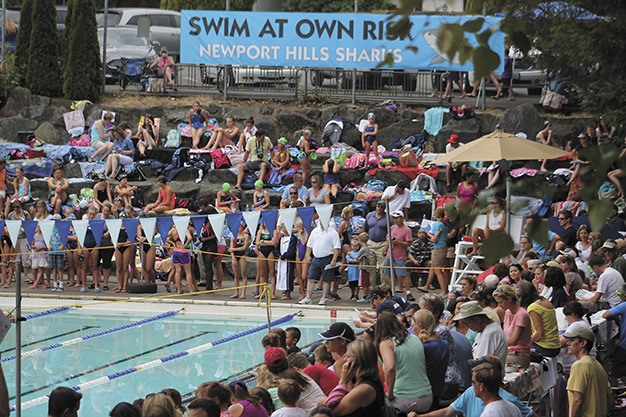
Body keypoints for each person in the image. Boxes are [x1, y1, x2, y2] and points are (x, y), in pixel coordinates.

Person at [409, 355, 534, 417]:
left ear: (481, 386)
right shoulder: (511, 407)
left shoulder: (493, 411)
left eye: (473, 381)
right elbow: (447, 411)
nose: (470, 383)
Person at [375, 311, 432, 413]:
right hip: (427, 397)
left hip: (404, 400)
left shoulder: (386, 343)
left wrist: (389, 393)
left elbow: (390, 368)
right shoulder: (415, 338)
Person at [324, 340, 385, 417]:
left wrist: (343, 381)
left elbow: (330, 411)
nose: (344, 359)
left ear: (357, 361)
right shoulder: (372, 381)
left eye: (348, 356)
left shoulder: (364, 389)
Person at [564, 326, 613, 417]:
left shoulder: (579, 365)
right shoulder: (597, 365)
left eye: (572, 340)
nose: (568, 343)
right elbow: (610, 400)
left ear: (583, 343)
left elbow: (577, 400)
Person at [453, 301, 508, 368]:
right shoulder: (483, 331)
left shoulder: (489, 334)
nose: (466, 326)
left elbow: (480, 363)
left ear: (477, 319)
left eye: (467, 323)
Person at [299, 219, 341, 305]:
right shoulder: (315, 231)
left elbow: (336, 248)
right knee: (310, 278)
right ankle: (308, 297)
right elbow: (309, 245)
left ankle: (323, 297)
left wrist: (334, 259)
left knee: (326, 279)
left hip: (327, 257)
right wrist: (308, 255)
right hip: (316, 257)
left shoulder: (333, 232)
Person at [517, 280, 561, 358]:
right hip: (555, 345)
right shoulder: (544, 300)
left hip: (545, 347)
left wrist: (523, 343)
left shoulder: (533, 307)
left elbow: (539, 334)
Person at [493, 285, 532, 368]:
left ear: (509, 299)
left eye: (501, 302)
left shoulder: (522, 315)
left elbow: (514, 340)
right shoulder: (507, 312)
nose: (499, 306)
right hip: (508, 352)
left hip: (519, 355)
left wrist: (496, 344)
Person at [382, 211, 413, 300]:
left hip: (400, 255)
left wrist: (398, 242)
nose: (396, 220)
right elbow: (388, 240)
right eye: (394, 218)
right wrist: (385, 249)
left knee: (403, 274)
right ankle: (391, 291)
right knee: (388, 273)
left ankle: (408, 292)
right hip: (390, 254)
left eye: (397, 218)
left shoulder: (407, 230)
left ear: (402, 218)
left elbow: (409, 243)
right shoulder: (392, 228)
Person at [418, 207, 448, 296]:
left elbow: (434, 239)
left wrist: (427, 233)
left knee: (437, 270)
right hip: (438, 248)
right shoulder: (444, 224)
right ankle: (426, 286)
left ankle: (443, 290)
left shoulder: (439, 225)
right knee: (433, 268)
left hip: (439, 248)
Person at [363, 200, 388, 292]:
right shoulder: (369, 215)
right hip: (371, 242)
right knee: (371, 267)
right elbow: (365, 229)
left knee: (383, 267)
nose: (379, 209)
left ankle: (384, 287)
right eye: (378, 206)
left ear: (384, 208)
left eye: (381, 207)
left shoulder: (388, 218)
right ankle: (372, 287)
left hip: (382, 243)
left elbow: (391, 232)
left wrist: (387, 246)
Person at [602, 284, 626, 377]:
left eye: (618, 294)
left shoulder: (623, 306)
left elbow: (606, 315)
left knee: (617, 371)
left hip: (624, 345)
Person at [229, 221, 250, 299]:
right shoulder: (233, 237)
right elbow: (231, 250)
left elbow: (244, 248)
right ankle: (236, 292)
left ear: (242, 227)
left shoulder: (245, 236)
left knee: (243, 274)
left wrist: (234, 249)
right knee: (236, 275)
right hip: (235, 256)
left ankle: (243, 293)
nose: (238, 228)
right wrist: (233, 258)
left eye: (239, 227)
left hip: (242, 256)